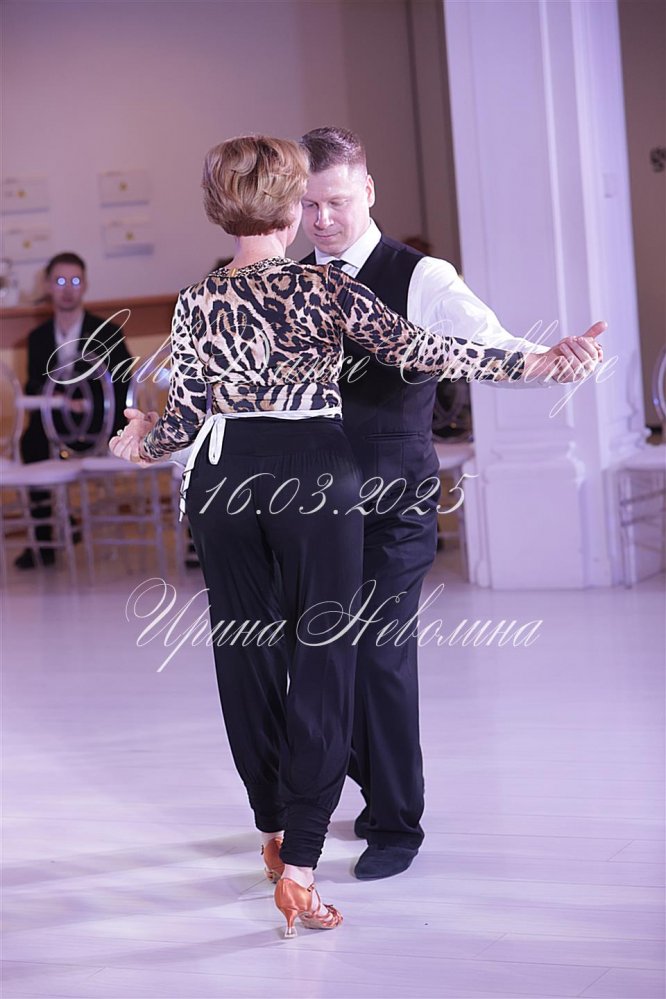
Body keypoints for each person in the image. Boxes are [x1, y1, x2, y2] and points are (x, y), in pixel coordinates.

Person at [109, 134, 602, 936]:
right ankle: (302, 864)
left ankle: (275, 828)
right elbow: (427, 349)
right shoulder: (324, 286)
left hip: (227, 485)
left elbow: (182, 419)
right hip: (314, 479)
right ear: (289, 208)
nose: (318, 215)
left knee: (247, 660)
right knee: (326, 661)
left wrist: (138, 440)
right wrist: (542, 364)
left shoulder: (196, 299)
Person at [299, 125, 604, 881]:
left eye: (336, 201)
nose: (322, 219)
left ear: (368, 191)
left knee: (379, 656)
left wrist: (548, 362)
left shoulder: (421, 276)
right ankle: (376, 793)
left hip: (395, 501)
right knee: (324, 660)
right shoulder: (292, 282)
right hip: (310, 505)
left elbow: (485, 343)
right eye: (307, 205)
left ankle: (397, 824)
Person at [15, 252, 131, 569]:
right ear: (47, 286)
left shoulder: (107, 331)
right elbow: (33, 385)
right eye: (60, 281)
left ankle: (66, 523)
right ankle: (44, 540)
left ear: (86, 285)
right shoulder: (38, 338)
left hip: (98, 423)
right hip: (55, 423)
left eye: (75, 281)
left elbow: (123, 384)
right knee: (32, 442)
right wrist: (59, 401)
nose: (67, 289)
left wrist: (89, 404)